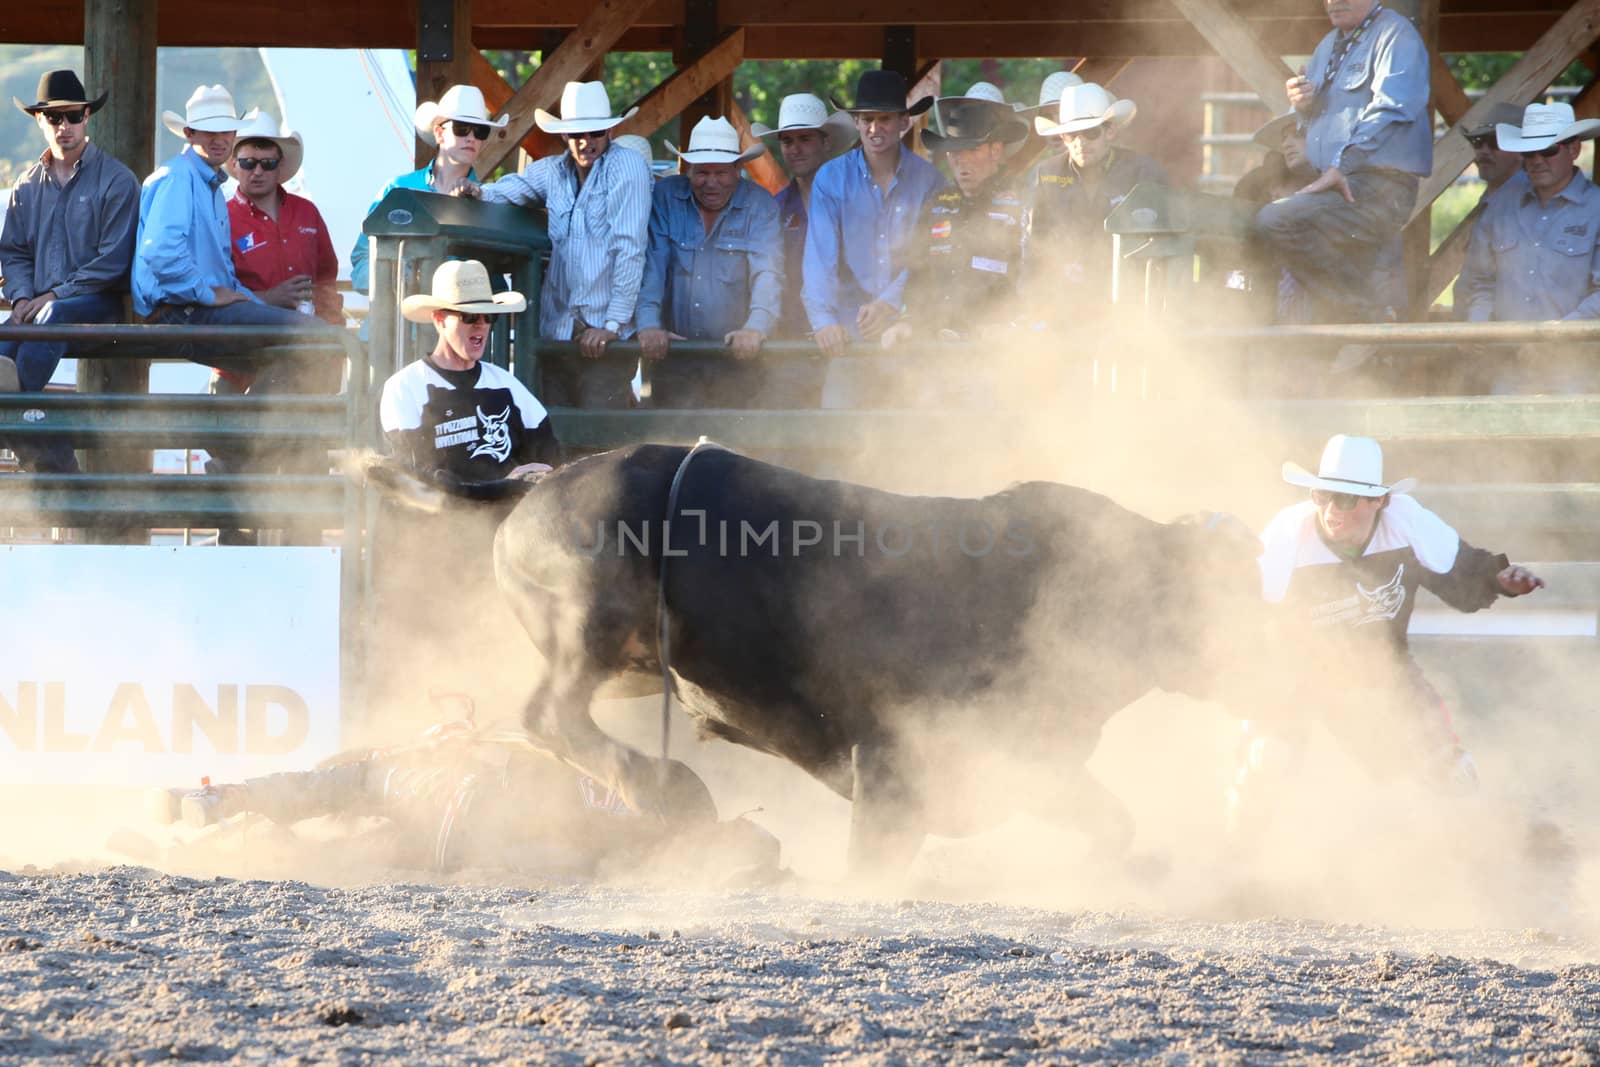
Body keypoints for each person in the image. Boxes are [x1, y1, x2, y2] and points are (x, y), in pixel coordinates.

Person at [1229, 434, 1544, 839]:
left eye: (1345, 499)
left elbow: (1461, 572)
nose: (1330, 510)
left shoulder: (1406, 526)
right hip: (1296, 669)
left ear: (1379, 501)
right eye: (1322, 495)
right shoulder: (1287, 535)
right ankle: (1238, 853)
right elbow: (1241, 602)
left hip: (1383, 666)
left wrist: (1499, 580)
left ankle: (1477, 852)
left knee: (1451, 771)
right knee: (1268, 757)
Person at [149, 695, 780, 880]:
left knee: (335, 786)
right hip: (464, 838)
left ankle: (215, 803)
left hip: (459, 801)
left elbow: (527, 741)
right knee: (344, 849)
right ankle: (215, 841)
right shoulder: (643, 840)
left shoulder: (582, 760)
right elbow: (580, 861)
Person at [454, 81, 652, 410]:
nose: (586, 142)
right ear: (564, 135)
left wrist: (612, 326)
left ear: (609, 132)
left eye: (596, 133)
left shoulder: (627, 166)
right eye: (577, 134)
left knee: (597, 441)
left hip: (602, 334)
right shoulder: (551, 172)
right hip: (556, 333)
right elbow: (507, 190)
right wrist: (478, 192)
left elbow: (629, 248)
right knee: (552, 435)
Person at [134, 85, 325, 400]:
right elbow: (159, 252)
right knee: (313, 336)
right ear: (189, 133)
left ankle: (240, 441)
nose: (219, 138)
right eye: (208, 131)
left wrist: (249, 301)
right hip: (183, 313)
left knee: (300, 345)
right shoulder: (179, 179)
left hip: (189, 310)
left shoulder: (203, 185)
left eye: (225, 129)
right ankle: (246, 439)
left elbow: (222, 279)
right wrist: (207, 293)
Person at [1252, 0, 1431, 322]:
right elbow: (1314, 122)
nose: (1334, 0)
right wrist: (1302, 105)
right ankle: (1364, 320)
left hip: (1378, 185)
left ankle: (1363, 314)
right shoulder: (1327, 45)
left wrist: (1342, 165)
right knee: (1291, 229)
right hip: (1343, 183)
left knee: (1277, 220)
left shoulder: (1395, 33)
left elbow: (1393, 110)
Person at [0, 69, 138, 473]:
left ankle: (45, 455)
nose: (65, 126)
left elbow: (114, 262)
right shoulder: (25, 187)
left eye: (73, 116)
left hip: (97, 304)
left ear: (87, 118)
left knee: (50, 320)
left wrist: (52, 296)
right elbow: (14, 252)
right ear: (40, 121)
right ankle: (56, 464)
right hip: (38, 309)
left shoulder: (117, 180)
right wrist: (24, 295)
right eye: (54, 117)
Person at [636, 117, 788, 409]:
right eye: (702, 172)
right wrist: (648, 324)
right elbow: (652, 264)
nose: (711, 182)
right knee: (673, 447)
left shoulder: (760, 205)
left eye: (721, 172)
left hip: (739, 360)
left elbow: (768, 271)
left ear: (738, 170)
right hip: (674, 357)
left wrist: (755, 327)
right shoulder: (665, 197)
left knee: (734, 446)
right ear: (688, 170)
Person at [801, 69, 943, 357]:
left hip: (910, 331)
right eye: (867, 119)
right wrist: (824, 322)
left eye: (884, 119)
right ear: (856, 122)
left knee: (914, 402)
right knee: (837, 403)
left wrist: (889, 303)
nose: (874, 128)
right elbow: (819, 259)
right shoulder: (830, 178)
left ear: (904, 121)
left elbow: (933, 255)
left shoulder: (931, 181)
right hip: (846, 335)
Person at [379, 260, 557, 483]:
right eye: (469, 317)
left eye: (489, 316)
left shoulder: (507, 385)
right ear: (440, 320)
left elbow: (549, 461)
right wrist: (502, 487)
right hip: (441, 516)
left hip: (511, 515)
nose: (480, 325)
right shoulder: (405, 388)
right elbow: (418, 481)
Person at [881, 97, 1028, 348]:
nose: (961, 160)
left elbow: (1041, 276)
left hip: (999, 351)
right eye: (954, 151)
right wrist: (907, 320)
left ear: (996, 150)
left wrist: (1015, 325)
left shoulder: (1024, 202)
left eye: (972, 149)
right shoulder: (937, 204)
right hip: (938, 348)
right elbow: (918, 273)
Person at [222, 110, 342, 396]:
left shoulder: (307, 212)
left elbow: (326, 276)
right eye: (249, 162)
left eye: (267, 163)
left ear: (280, 166)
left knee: (307, 436)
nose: (258, 171)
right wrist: (266, 299)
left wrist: (332, 330)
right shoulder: (220, 217)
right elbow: (214, 287)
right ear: (234, 164)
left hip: (309, 352)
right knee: (230, 435)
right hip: (241, 354)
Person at [348, 84, 503, 300]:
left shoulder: (488, 202)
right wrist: (399, 276)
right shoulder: (397, 189)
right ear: (439, 133)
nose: (471, 138)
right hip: (392, 327)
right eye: (461, 128)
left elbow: (495, 282)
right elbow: (362, 260)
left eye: (480, 131)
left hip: (454, 327)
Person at [1027, 82, 1166, 319]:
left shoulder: (1143, 172)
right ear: (1062, 136)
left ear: (1110, 131)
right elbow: (1035, 246)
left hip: (1130, 304)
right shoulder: (1045, 174)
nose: (1080, 143)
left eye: (1091, 132)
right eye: (1072, 134)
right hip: (1065, 305)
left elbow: (1165, 244)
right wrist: (1035, 304)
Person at [1463, 103, 1600, 324]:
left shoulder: (1597, 209)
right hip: (1502, 350)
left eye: (1548, 150)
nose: (1537, 160)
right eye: (1529, 151)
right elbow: (1480, 282)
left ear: (1574, 150)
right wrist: (1479, 330)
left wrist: (1561, 333)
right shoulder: (1499, 205)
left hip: (1572, 351)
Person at [751, 93, 856, 340]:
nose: (795, 149)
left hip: (849, 338)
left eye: (805, 139)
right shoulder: (773, 210)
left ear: (826, 142)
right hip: (790, 343)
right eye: (787, 141)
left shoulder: (856, 201)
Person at [1450, 102, 1529, 318]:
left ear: (1521, 149)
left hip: (1499, 338)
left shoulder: (1525, 203)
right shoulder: (1494, 198)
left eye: (1495, 142)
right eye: (1478, 142)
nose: (1483, 151)